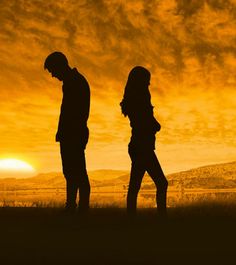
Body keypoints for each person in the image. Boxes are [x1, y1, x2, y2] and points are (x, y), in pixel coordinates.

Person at [44, 52, 90, 213]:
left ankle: (78, 209)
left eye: (52, 70)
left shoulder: (74, 82)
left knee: (76, 173)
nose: (52, 75)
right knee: (72, 172)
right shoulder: (73, 81)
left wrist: (67, 132)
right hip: (72, 133)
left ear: (59, 66)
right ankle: (73, 207)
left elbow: (74, 112)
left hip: (73, 134)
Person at [120, 66, 168, 215]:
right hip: (143, 147)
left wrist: (154, 124)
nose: (149, 84)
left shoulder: (133, 99)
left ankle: (131, 218)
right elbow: (146, 122)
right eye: (147, 81)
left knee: (135, 186)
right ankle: (161, 218)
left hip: (137, 145)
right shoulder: (141, 99)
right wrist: (156, 126)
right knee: (161, 183)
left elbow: (143, 121)